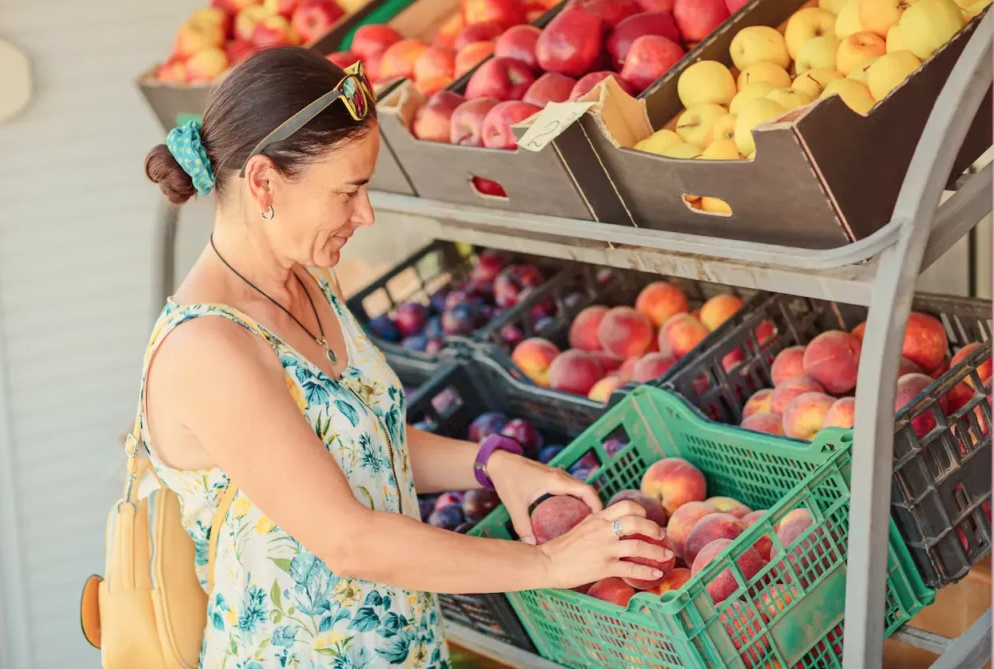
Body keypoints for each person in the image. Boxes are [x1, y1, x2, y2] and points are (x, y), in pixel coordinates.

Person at [141, 46, 671, 668]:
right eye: (349, 191)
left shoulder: (309, 284)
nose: (365, 214)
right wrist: (549, 562)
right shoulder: (209, 349)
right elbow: (348, 540)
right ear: (263, 183)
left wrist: (493, 465)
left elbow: (364, 441)